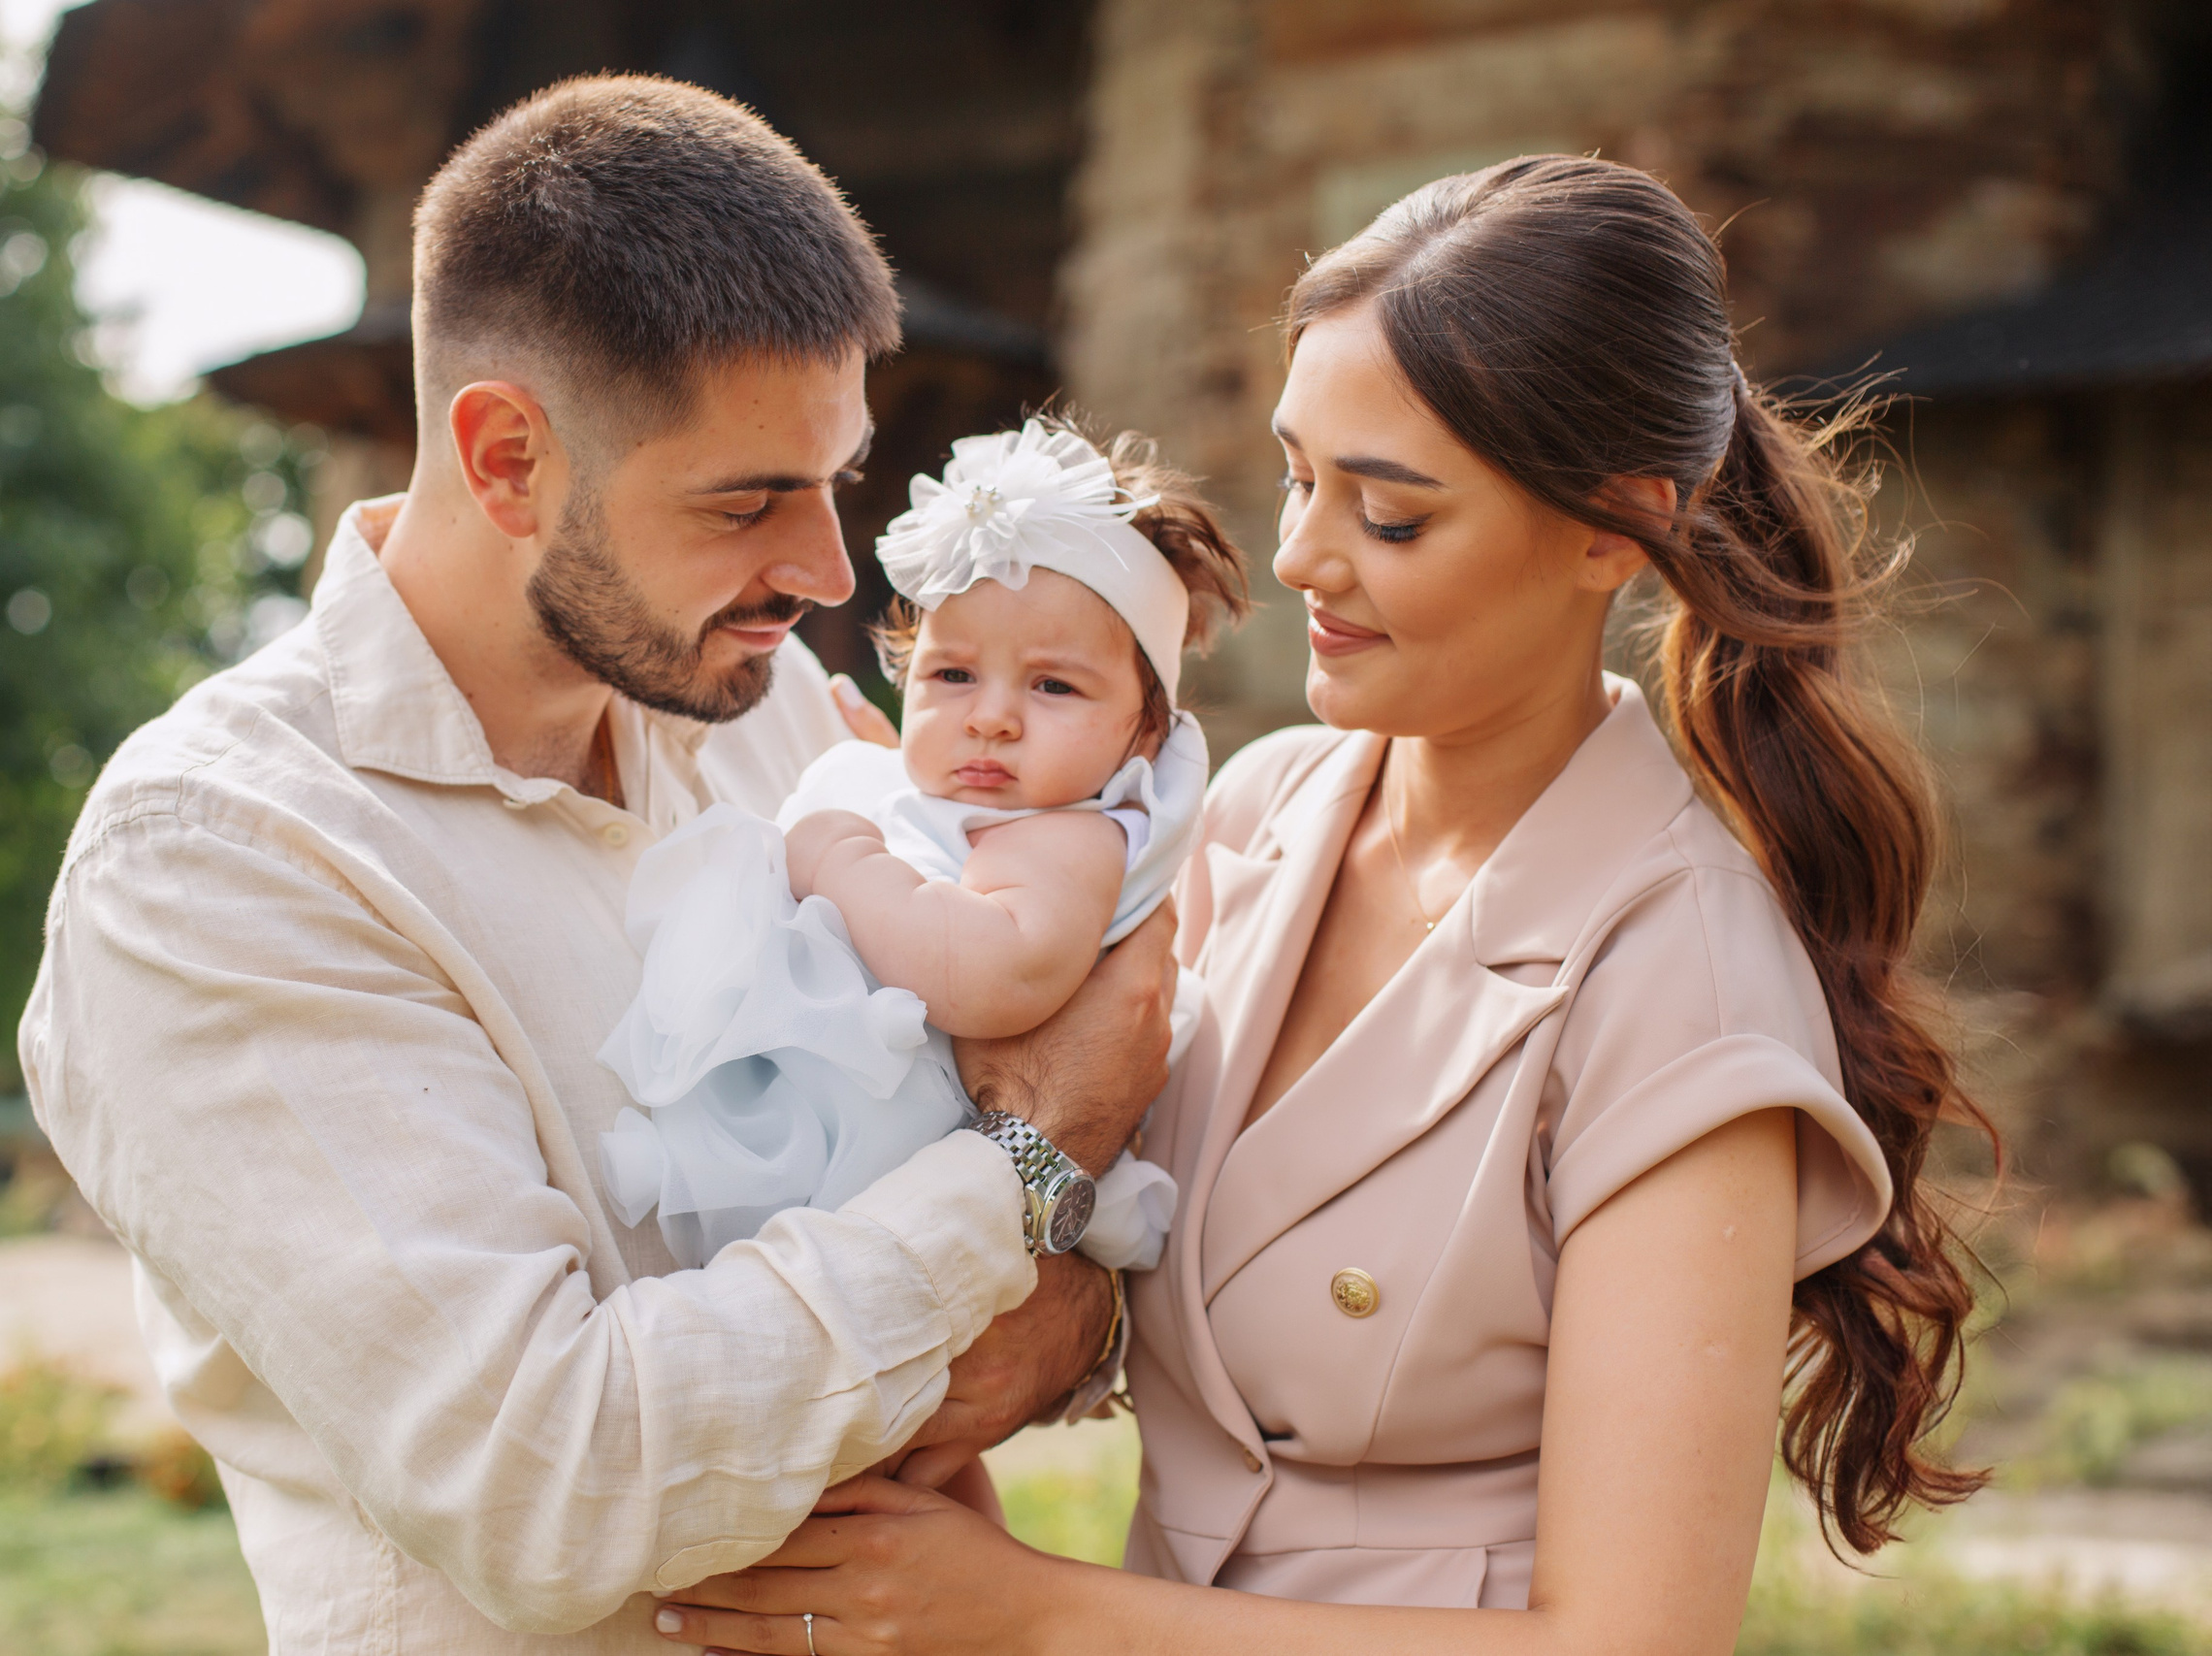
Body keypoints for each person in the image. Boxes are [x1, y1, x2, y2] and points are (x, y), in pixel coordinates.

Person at [651, 154, 1989, 1656]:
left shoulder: (1681, 979)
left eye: (1392, 515)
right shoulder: (1254, 810)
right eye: (1299, 475)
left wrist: (1021, 1610)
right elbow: (1121, 1210)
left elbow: (1631, 1639)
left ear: (1614, 525)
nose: (1298, 557)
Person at [16, 77, 1172, 1652]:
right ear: (505, 457)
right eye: (746, 499)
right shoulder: (220, 862)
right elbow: (552, 1491)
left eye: (832, 479)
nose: (825, 572)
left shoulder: (769, 720)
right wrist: (1032, 1168)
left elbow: (1050, 1277)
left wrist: (1060, 1301)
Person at [600, 417, 1250, 1280]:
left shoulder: (1070, 836)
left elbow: (990, 972)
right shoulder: (944, 801)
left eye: (1053, 685)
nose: (991, 715)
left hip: (915, 1134)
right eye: (952, 676)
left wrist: (845, 864)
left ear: (1143, 734)